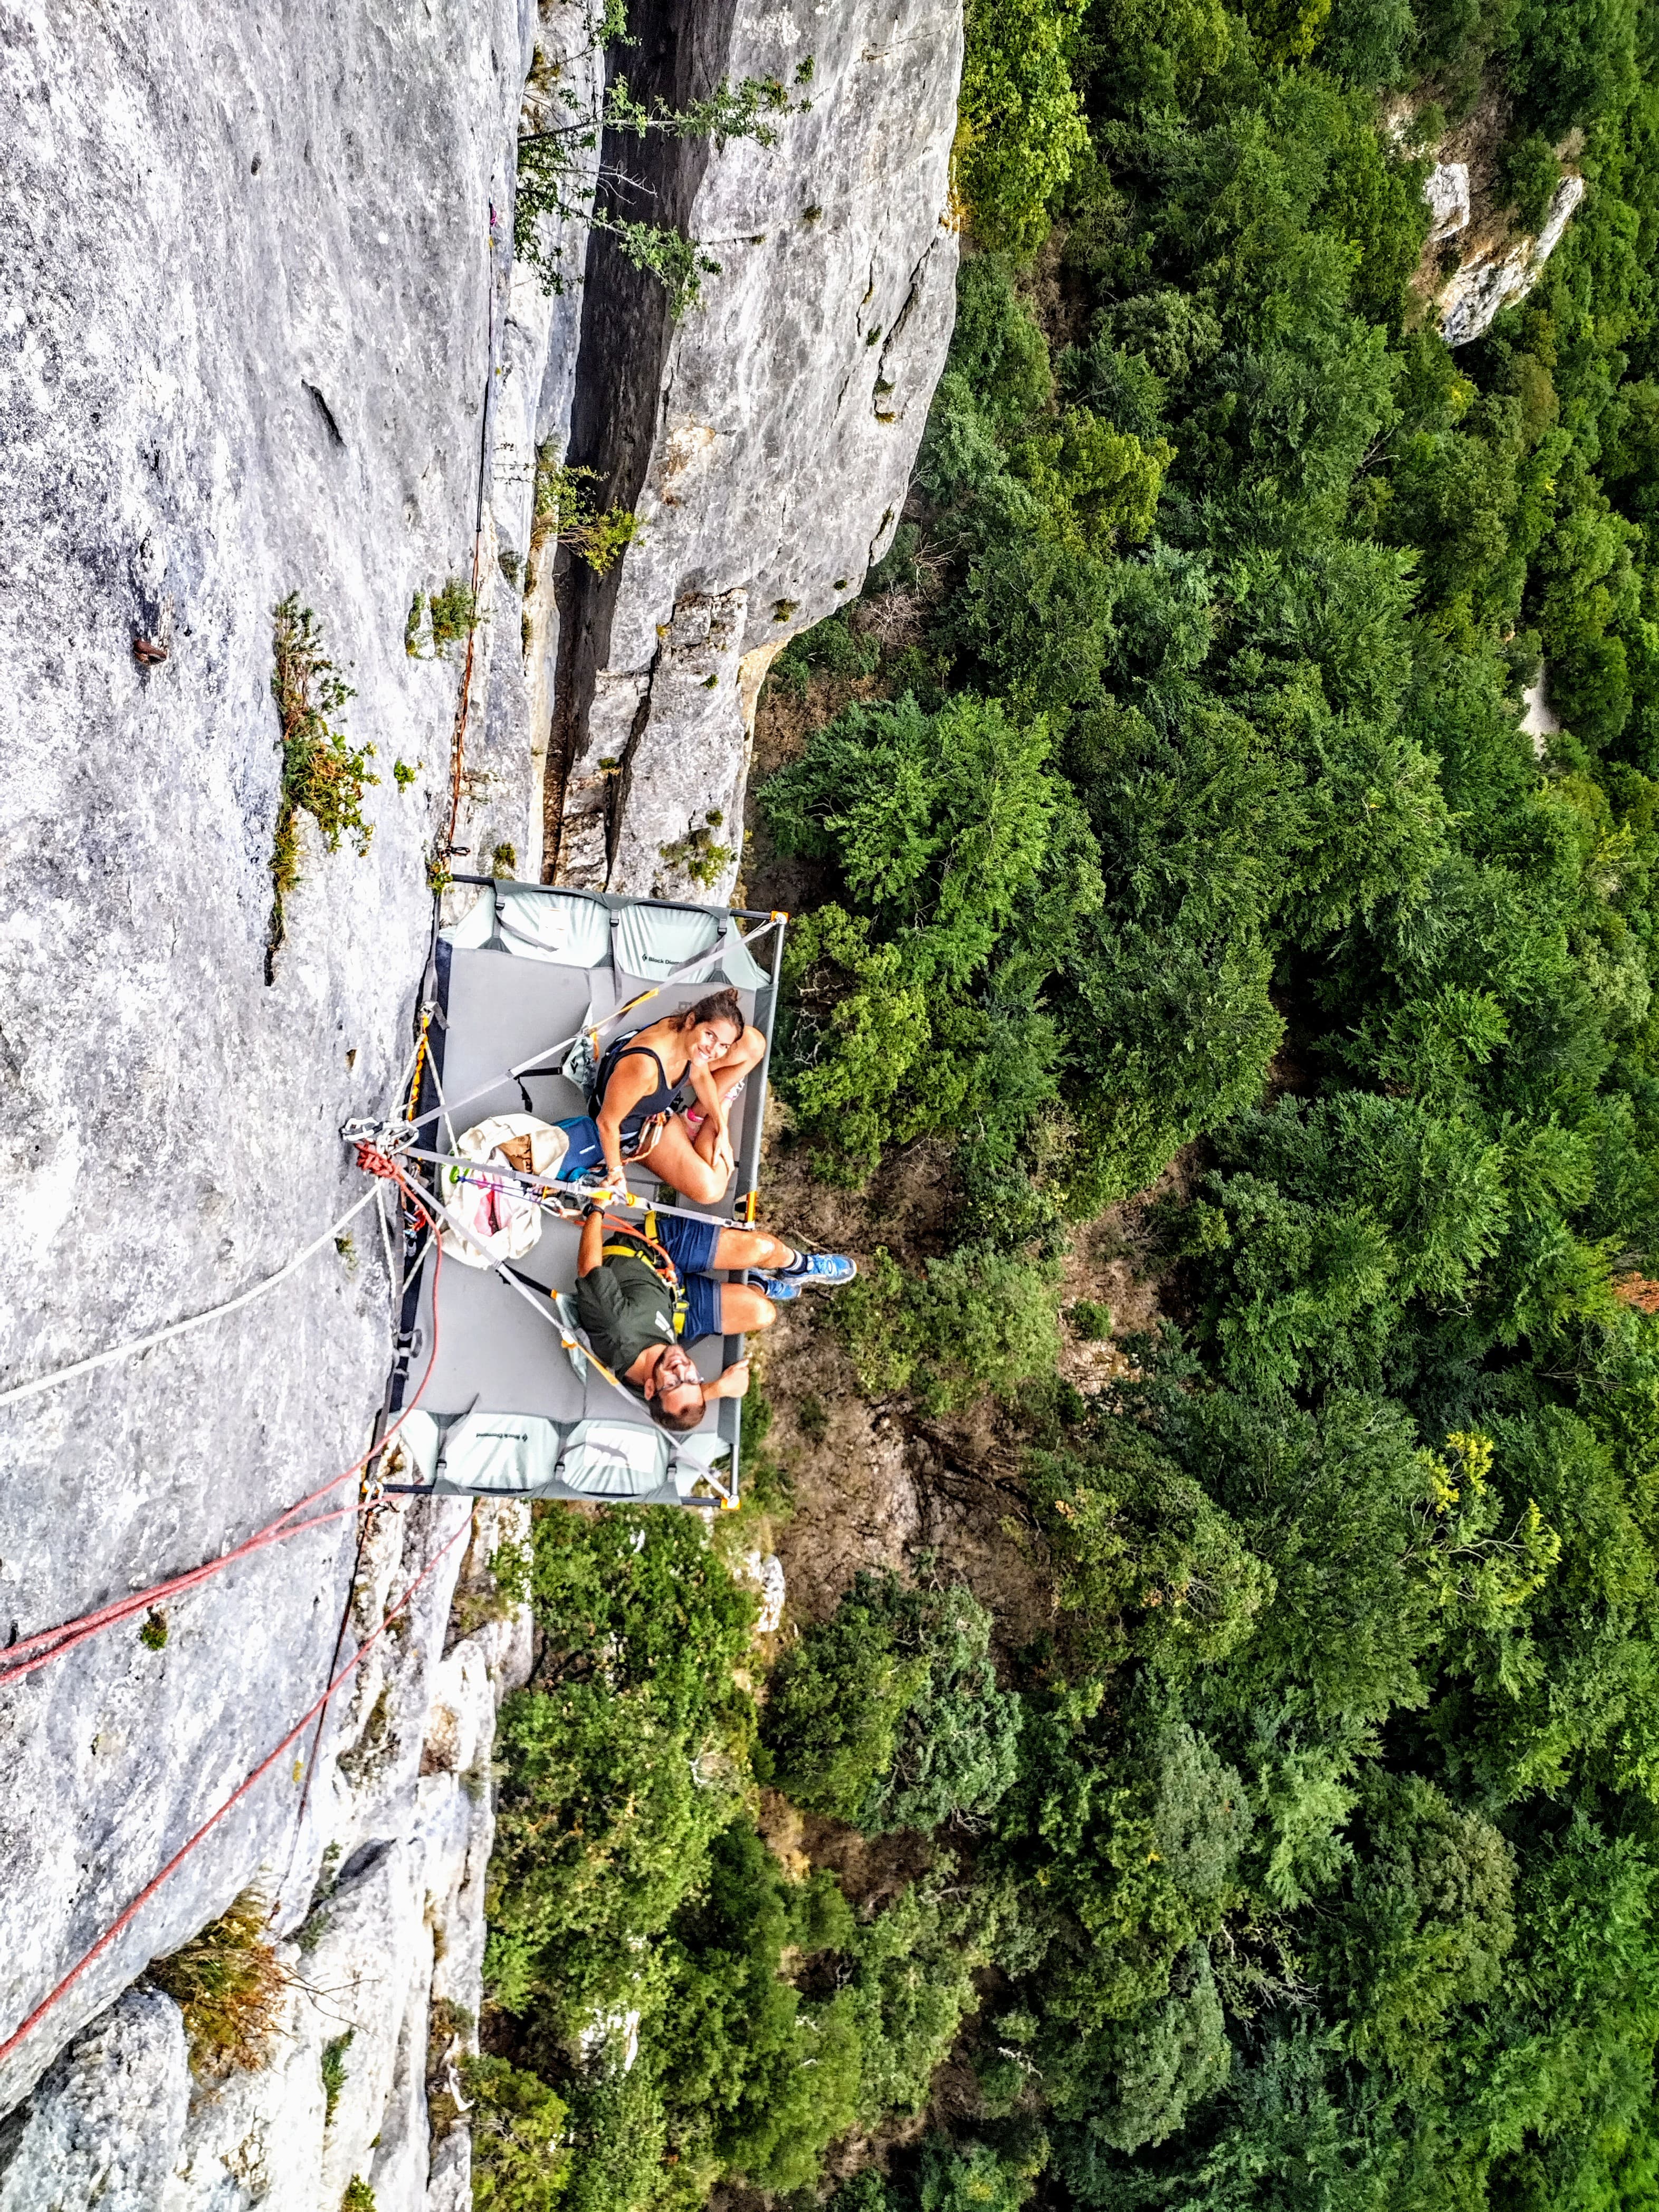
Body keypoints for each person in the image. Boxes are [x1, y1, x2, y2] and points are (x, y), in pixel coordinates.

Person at [575, 1199, 857, 1433]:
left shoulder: (618, 1326)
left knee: (763, 1249)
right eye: (692, 1379)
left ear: (651, 1387)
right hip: (675, 1305)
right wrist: (719, 1388)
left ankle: (798, 1265)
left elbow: (589, 1267)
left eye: (673, 1382)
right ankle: (758, 1285)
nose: (682, 1369)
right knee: (762, 1313)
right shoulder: (662, 1387)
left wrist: (596, 1208)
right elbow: (680, 1404)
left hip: (648, 1251)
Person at [589, 987, 765, 1207]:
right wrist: (616, 1173)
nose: (713, 1050)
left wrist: (722, 1128)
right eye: (710, 1035)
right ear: (692, 1021)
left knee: (754, 1043)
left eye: (724, 1045)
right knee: (711, 1190)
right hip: (638, 1128)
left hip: (657, 1099)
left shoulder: (684, 1035)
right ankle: (712, 1108)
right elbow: (607, 1123)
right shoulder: (645, 1066)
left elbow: (700, 1075)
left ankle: (697, 1117)